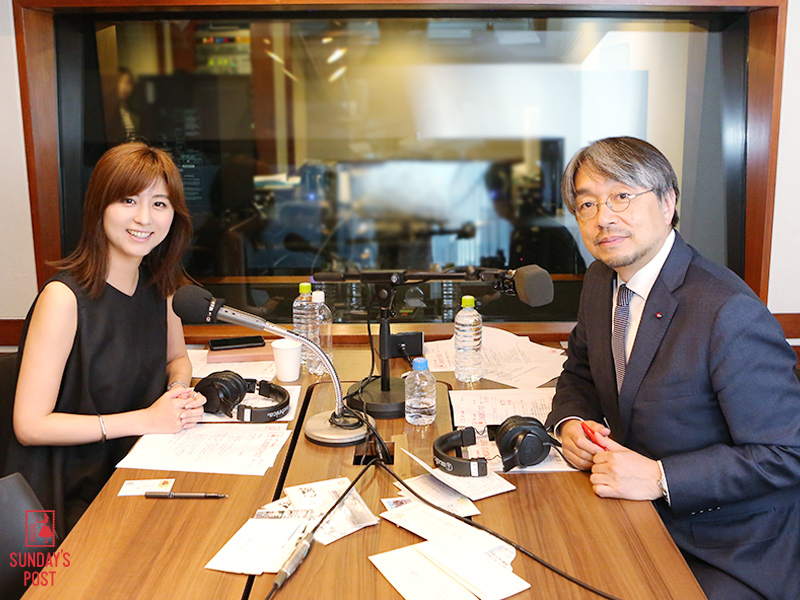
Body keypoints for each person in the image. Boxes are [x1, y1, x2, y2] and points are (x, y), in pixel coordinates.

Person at [544, 137, 800, 600]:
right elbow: (580, 370)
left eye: (622, 196)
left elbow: (785, 452)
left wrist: (661, 478)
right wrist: (570, 424)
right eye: (587, 203)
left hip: (727, 546)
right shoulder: (602, 279)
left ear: (667, 203)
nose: (604, 217)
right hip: (634, 511)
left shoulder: (727, 311)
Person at [4, 142, 206, 536]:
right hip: (62, 496)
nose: (144, 217)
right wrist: (147, 419)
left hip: (131, 467)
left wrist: (177, 395)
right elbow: (29, 425)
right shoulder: (63, 298)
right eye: (128, 200)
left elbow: (177, 359)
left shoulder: (161, 287)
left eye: (159, 204)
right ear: (100, 206)